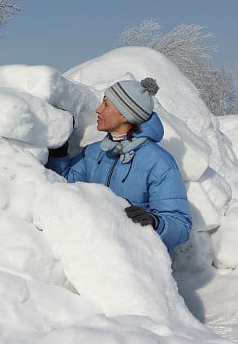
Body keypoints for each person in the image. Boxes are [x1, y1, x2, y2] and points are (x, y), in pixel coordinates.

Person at [46, 77, 192, 253]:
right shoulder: (94, 152)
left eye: (106, 105)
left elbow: (181, 225)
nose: (98, 110)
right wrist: (59, 150)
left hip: (136, 261)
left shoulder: (159, 163)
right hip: (91, 251)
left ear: (125, 115)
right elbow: (65, 185)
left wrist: (154, 222)